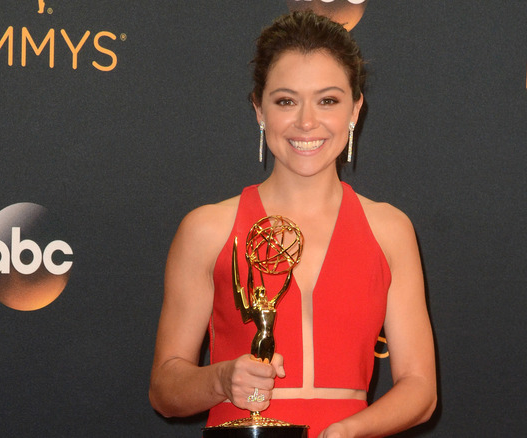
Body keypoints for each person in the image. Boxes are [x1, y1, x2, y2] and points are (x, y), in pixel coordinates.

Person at [149, 11, 436, 438]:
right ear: (258, 109)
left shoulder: (390, 230)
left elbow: (420, 390)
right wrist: (221, 380)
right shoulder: (207, 229)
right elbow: (165, 390)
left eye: (328, 100)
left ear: (355, 109)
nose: (306, 122)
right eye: (286, 100)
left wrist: (346, 432)